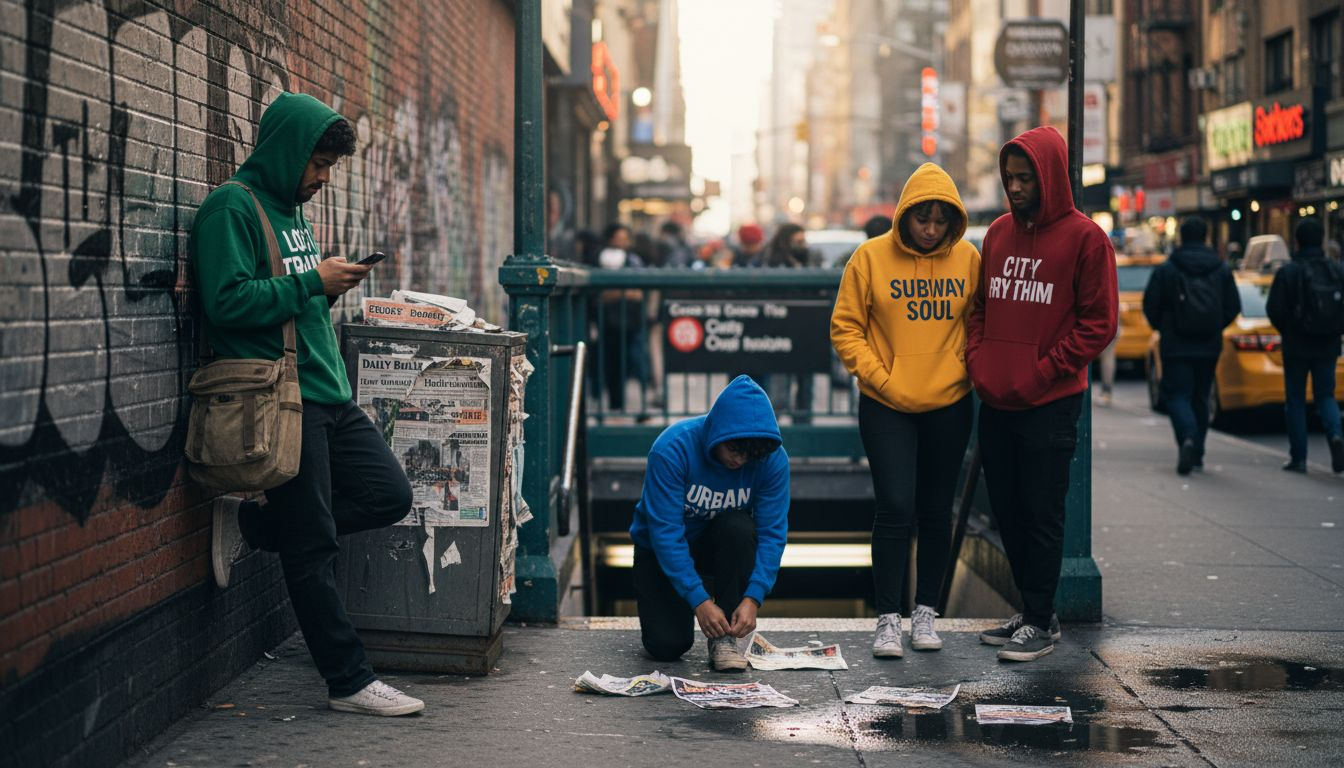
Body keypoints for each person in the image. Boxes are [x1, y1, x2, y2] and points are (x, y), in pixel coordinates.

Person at [192, 93, 422, 715]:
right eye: (317, 165)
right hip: (282, 401)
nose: (322, 179)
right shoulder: (230, 210)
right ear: (287, 152)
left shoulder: (292, 212)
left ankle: (250, 525)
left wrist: (324, 280)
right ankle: (348, 681)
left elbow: (292, 295)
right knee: (314, 544)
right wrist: (311, 282)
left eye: (328, 168)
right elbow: (226, 303)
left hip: (329, 394)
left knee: (390, 495)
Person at [966, 126, 1118, 662]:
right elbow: (981, 307)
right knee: (1006, 510)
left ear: (1049, 176)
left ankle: (1038, 620)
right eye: (1010, 178)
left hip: (1050, 401)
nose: (1016, 187)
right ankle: (1035, 613)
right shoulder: (998, 234)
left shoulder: (1086, 238)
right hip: (997, 397)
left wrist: (1043, 371)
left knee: (1042, 511)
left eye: (1026, 177)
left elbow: (1099, 324)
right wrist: (979, 360)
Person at [831, 163, 980, 657]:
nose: (932, 230)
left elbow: (980, 321)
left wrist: (962, 367)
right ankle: (887, 619)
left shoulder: (969, 260)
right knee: (895, 507)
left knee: (936, 510)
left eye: (941, 221)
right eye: (923, 220)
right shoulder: (869, 258)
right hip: (885, 403)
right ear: (905, 215)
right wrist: (881, 378)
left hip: (949, 401)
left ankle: (926, 614)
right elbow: (845, 327)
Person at [630, 375, 790, 671]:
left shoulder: (772, 461)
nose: (740, 462)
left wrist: (753, 598)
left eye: (749, 456)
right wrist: (699, 601)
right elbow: (665, 533)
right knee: (667, 647)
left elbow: (772, 534)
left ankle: (725, 639)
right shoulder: (672, 448)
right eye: (734, 451)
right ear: (718, 434)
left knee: (739, 527)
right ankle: (682, 614)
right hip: (661, 548)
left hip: (719, 543)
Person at [1142, 217, 1241, 475]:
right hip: (1209, 345)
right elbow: (1233, 306)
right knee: (1200, 396)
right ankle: (1197, 452)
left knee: (1176, 395)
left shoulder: (1168, 269)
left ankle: (1186, 437)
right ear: (1206, 237)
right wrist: (1215, 326)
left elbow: (1150, 304)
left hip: (1176, 345)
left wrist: (1163, 327)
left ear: (1181, 238)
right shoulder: (1220, 269)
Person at [1266, 217, 1344, 474]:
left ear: (1296, 241)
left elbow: (1274, 309)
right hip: (1327, 344)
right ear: (1321, 239)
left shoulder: (1289, 271)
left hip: (1296, 345)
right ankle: (1335, 435)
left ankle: (1298, 457)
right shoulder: (1335, 270)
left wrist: (1289, 330)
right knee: (1326, 395)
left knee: (1296, 400)